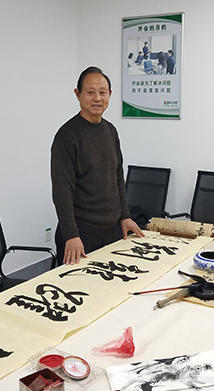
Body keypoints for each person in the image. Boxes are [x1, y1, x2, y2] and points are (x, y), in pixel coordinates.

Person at [51, 66, 144, 265]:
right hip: (82, 234)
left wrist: (125, 216)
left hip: (113, 230)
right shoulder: (67, 136)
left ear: (110, 94)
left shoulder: (110, 131)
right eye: (90, 92)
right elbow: (61, 191)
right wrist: (71, 235)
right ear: (78, 94)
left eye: (102, 92)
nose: (97, 98)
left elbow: (117, 178)